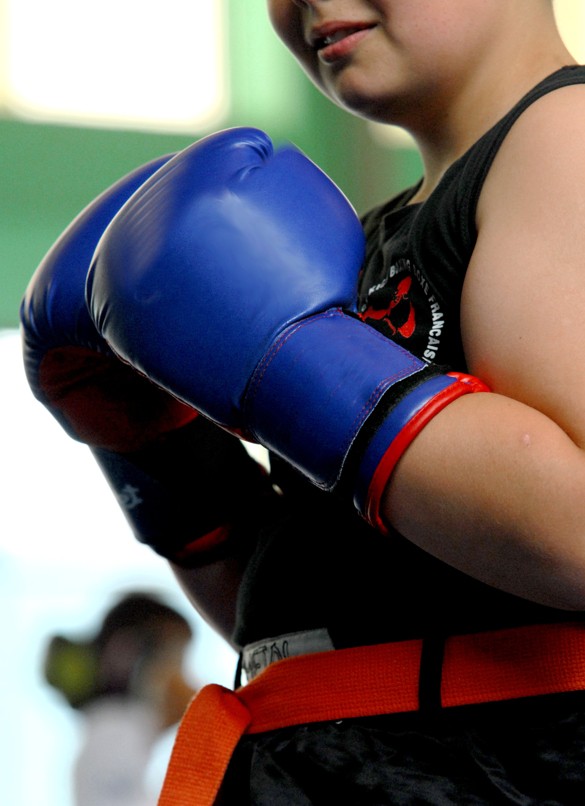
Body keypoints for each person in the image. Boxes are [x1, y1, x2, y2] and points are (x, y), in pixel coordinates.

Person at [20, 0, 585, 803]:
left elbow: (574, 532)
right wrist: (164, 459)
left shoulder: (565, 139)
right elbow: (302, 626)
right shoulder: (357, 239)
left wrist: (300, 364)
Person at [44, 592, 196, 806]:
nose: (185, 679)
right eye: (176, 660)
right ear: (128, 657)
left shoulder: (122, 734)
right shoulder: (115, 735)